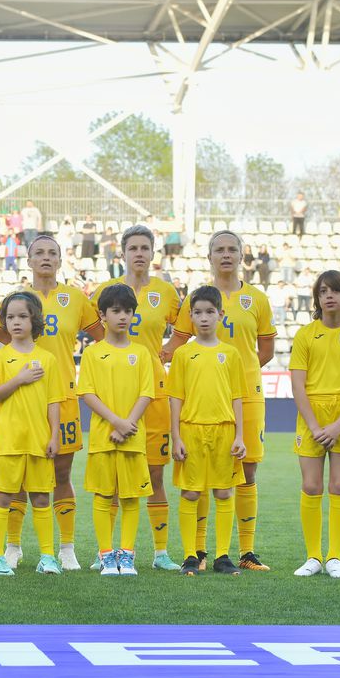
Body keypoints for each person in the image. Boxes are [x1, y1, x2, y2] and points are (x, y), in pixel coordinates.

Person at [165, 230, 276, 572]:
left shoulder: (256, 298)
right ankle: (197, 552)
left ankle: (245, 551)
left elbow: (266, 350)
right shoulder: (197, 300)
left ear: (242, 256)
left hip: (245, 399)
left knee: (246, 471)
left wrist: (234, 382)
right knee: (196, 479)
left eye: (232, 250)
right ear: (210, 257)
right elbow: (176, 346)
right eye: (219, 250)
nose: (226, 255)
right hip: (200, 405)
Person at [90, 225, 180, 571]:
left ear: (153, 253)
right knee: (111, 479)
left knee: (153, 474)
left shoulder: (166, 291)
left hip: (153, 395)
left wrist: (169, 350)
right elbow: (94, 331)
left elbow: (185, 327)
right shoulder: (107, 292)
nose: (139, 253)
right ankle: (107, 553)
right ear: (123, 254)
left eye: (145, 247)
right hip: (115, 396)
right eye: (133, 248)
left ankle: (159, 553)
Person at [11, 236, 102, 571]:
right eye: (39, 253)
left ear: (61, 260)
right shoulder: (17, 298)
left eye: (52, 253)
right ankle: (13, 546)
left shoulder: (75, 298)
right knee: (19, 475)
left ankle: (66, 548)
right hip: (24, 396)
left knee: (62, 472)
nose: (45, 258)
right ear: (29, 259)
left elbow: (103, 339)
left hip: (63, 396)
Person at [290, 271, 340, 579]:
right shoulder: (305, 335)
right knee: (311, 486)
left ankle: (335, 557)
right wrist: (314, 425)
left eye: (335, 290)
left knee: (339, 486)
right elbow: (298, 385)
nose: (329, 296)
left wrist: (338, 425)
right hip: (311, 417)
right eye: (323, 291)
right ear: (317, 298)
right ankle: (313, 557)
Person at [168, 286, 246, 577]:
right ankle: (190, 555)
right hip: (191, 430)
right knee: (190, 492)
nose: (204, 318)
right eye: (198, 313)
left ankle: (223, 556)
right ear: (190, 316)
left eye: (209, 312)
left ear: (220, 315)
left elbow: (238, 396)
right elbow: (175, 398)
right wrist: (176, 437)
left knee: (224, 492)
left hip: (224, 431)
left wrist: (239, 435)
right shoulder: (183, 354)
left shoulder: (231, 353)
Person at [78, 284, 154, 577]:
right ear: (102, 315)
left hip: (133, 438)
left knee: (131, 497)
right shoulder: (93, 353)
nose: (123, 316)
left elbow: (146, 393)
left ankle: (128, 554)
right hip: (102, 437)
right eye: (116, 311)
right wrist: (116, 422)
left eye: (128, 311)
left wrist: (127, 425)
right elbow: (88, 394)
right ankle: (106, 554)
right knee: (103, 496)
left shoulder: (142, 353)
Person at [0, 291, 62, 577]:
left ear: (34, 320)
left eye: (22, 316)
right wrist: (18, 379)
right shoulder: (0, 358)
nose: (16, 322)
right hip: (7, 441)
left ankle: (47, 557)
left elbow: (54, 401)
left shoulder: (48, 359)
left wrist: (54, 435)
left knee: (41, 499)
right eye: (10, 317)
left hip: (39, 441)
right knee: (2, 498)